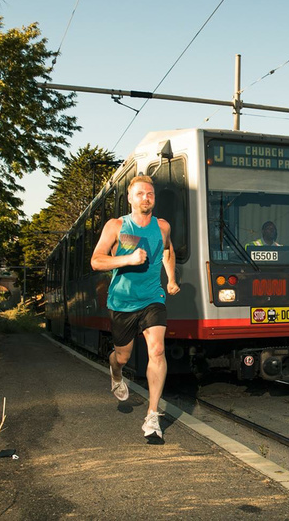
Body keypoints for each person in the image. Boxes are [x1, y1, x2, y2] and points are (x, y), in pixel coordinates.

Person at [91, 174, 180, 443]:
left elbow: (167, 251)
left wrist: (172, 278)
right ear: (130, 198)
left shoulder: (162, 226)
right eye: (140, 193)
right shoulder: (117, 225)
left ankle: (153, 416)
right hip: (122, 302)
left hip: (153, 297)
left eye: (150, 194)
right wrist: (127, 258)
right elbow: (96, 261)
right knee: (123, 357)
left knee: (158, 349)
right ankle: (115, 374)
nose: (146, 197)